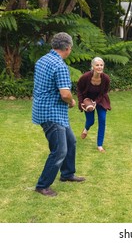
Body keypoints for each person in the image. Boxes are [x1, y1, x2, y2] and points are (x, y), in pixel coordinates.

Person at [32, 32, 85, 197]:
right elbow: (65, 94)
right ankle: (42, 185)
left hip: (43, 110)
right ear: (68, 48)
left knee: (71, 141)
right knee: (59, 150)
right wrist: (72, 102)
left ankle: (67, 173)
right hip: (52, 113)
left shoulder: (42, 61)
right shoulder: (60, 66)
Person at [77, 57, 111, 153]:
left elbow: (104, 92)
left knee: (102, 119)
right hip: (87, 100)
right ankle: (86, 129)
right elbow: (79, 89)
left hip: (100, 99)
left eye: (101, 65)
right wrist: (81, 102)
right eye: (97, 65)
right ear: (92, 66)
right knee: (91, 121)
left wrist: (96, 101)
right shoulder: (85, 77)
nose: (99, 67)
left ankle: (99, 145)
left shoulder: (106, 78)